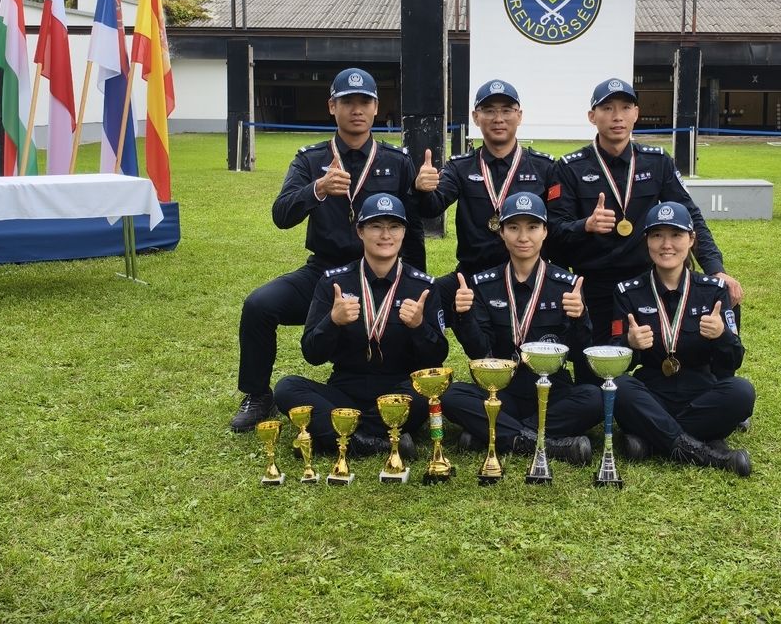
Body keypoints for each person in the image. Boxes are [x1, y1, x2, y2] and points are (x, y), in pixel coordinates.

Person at [229, 68, 426, 432]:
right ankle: (257, 394)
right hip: (325, 273)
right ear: (332, 106)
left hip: (381, 274)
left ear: (376, 107)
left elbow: (412, 228)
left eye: (365, 101)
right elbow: (281, 215)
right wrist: (317, 189)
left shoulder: (396, 161)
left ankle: (404, 392)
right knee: (259, 305)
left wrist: (415, 280)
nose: (357, 109)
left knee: (413, 324)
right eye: (347, 102)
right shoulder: (310, 159)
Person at [546, 77, 742, 383]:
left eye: (626, 107)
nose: (617, 116)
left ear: (636, 113)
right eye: (607, 108)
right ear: (592, 116)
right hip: (595, 285)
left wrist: (715, 268)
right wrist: (586, 225)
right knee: (594, 381)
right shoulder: (570, 167)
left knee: (713, 306)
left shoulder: (657, 161)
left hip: (647, 282)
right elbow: (553, 231)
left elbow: (691, 216)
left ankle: (717, 388)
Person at [273, 193, 447, 457]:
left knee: (427, 393)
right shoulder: (334, 283)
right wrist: (332, 321)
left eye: (394, 226)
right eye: (376, 226)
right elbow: (312, 354)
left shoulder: (422, 286)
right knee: (287, 388)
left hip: (399, 393)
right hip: (345, 393)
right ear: (360, 231)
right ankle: (376, 439)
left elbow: (436, 359)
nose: (385, 235)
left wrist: (419, 325)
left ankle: (334, 435)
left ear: (404, 232)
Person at [441, 192, 602, 465]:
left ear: (545, 232)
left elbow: (578, 354)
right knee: (452, 395)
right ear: (502, 233)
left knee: (595, 398)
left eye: (532, 227)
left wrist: (580, 317)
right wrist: (464, 316)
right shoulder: (484, 284)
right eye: (514, 227)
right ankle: (541, 442)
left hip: (552, 387)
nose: (523, 237)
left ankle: (496, 433)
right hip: (502, 387)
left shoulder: (567, 284)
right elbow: (480, 352)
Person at [610, 201, 754, 476]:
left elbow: (732, 361)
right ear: (647, 241)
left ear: (691, 239)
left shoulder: (713, 291)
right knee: (618, 387)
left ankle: (651, 441)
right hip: (652, 394)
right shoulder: (628, 292)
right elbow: (616, 361)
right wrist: (629, 344)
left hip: (701, 394)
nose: (667, 245)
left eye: (676, 235)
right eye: (657, 235)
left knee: (742, 392)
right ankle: (708, 450)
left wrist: (722, 335)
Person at [413, 79, 554, 329]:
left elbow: (557, 224)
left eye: (506, 110)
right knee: (419, 304)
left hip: (526, 276)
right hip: (473, 275)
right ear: (476, 117)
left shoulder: (544, 167)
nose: (498, 118)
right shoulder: (460, 167)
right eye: (489, 111)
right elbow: (431, 208)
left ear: (519, 116)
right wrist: (423, 189)